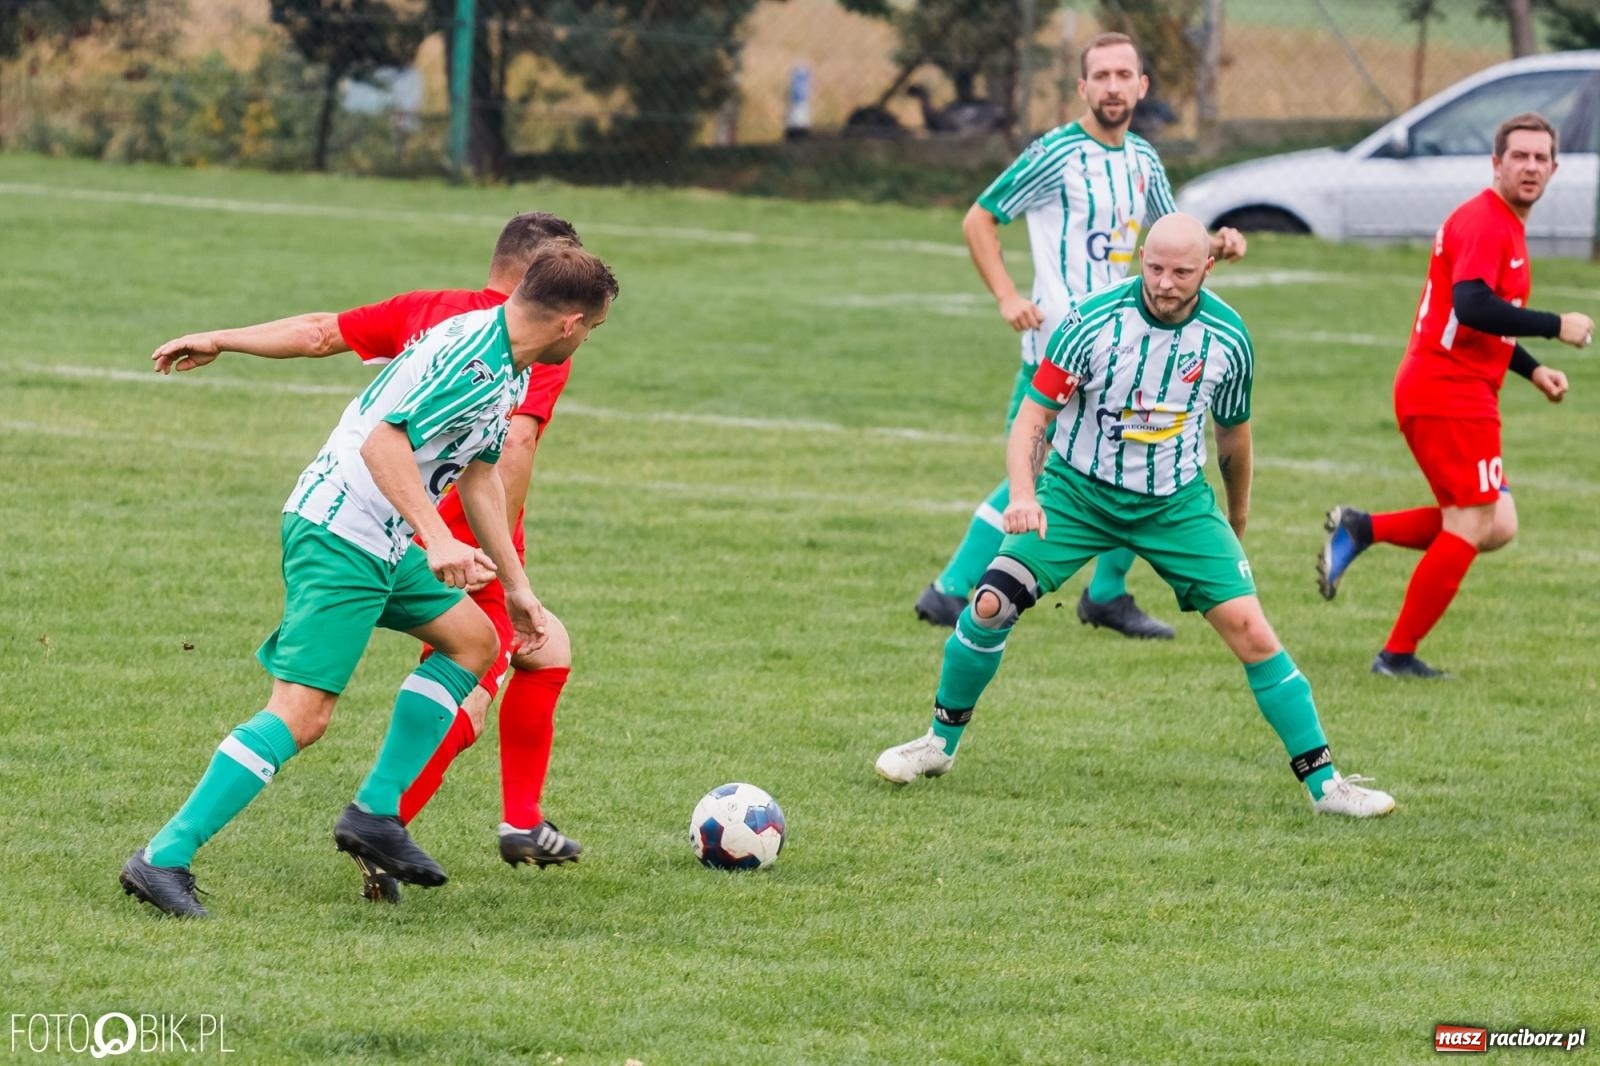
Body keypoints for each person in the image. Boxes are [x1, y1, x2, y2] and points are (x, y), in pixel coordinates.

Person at [120, 244, 619, 917]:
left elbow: (478, 476)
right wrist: (437, 540)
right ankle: (162, 858)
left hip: (381, 539)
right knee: (301, 716)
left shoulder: (506, 363)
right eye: (594, 328)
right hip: (339, 536)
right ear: (569, 325)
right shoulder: (476, 364)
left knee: (476, 642)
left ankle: (376, 814)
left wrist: (519, 587)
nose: (589, 340)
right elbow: (381, 442)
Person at [877, 213, 1394, 819]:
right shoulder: (1091, 322)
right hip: (1077, 495)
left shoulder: (1229, 338)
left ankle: (1327, 787)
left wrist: (1238, 518)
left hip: (1175, 506)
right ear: (1140, 259)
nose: (1165, 282)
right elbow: (1033, 419)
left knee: (1253, 634)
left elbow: (1233, 439)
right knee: (990, 603)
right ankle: (938, 744)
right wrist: (1023, 494)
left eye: (1180, 271)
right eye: (1154, 267)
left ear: (1207, 267)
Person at [914, 31, 1247, 640]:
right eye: (1102, 76)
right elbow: (979, 217)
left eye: (1125, 75)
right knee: (1040, 470)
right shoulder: (1057, 154)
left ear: (1142, 86)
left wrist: (1218, 244)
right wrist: (1008, 296)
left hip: (1125, 346)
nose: (1114, 87)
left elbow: (1174, 243)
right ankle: (951, 589)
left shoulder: (1144, 160)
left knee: (1142, 450)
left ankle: (1107, 594)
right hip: (1058, 343)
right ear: (1083, 87)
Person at [1317, 112, 1591, 679]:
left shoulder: (1505, 224)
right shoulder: (1487, 223)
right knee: (1470, 524)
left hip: (1457, 388)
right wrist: (1554, 324)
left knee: (1498, 523)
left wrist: (1534, 370)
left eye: (1542, 158)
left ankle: (1363, 529)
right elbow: (1472, 305)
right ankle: (1396, 655)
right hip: (1446, 391)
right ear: (1497, 163)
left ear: (1555, 167)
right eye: (1520, 156)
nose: (1531, 166)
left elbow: (1481, 322)